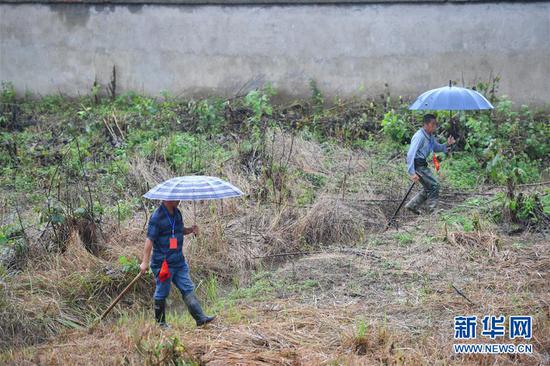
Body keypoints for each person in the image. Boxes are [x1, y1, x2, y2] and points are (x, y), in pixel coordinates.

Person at [139, 200, 215, 328]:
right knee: (162, 292)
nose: (179, 200)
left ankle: (200, 318)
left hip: (179, 261)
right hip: (163, 264)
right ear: (167, 199)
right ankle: (161, 324)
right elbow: (149, 240)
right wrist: (144, 262)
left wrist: (191, 230)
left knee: (188, 288)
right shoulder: (157, 217)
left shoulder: (177, 213)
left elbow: (179, 230)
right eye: (176, 198)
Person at [405, 114, 455, 214]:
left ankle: (412, 205)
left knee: (429, 187)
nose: (435, 126)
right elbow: (411, 153)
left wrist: (447, 144)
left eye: (435, 124)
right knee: (434, 186)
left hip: (423, 165)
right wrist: (411, 172)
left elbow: (436, 147)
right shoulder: (419, 136)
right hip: (418, 166)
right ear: (426, 124)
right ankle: (433, 211)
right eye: (433, 124)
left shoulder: (430, 136)